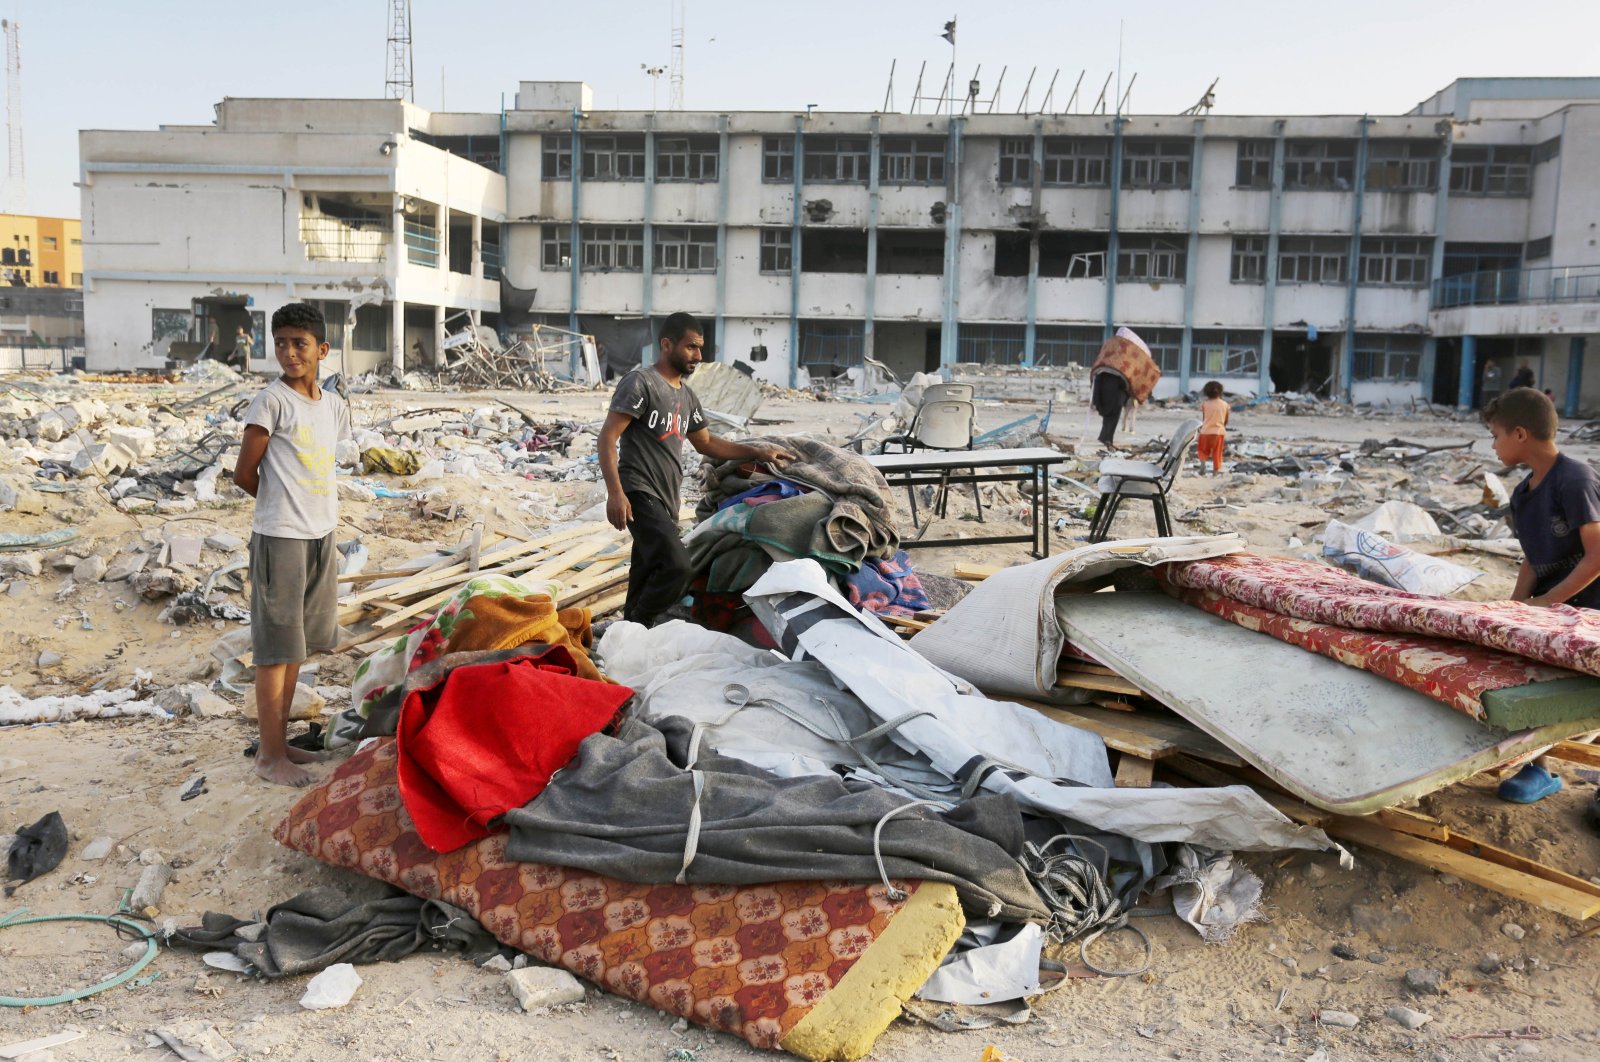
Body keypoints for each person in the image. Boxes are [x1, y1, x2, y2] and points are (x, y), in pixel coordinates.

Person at [599, 312, 796, 628]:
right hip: (638, 490)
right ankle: (648, 619)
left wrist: (756, 450)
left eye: (700, 348)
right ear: (667, 344)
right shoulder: (641, 384)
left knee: (647, 568)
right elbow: (608, 437)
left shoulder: (686, 396)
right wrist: (616, 493)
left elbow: (706, 444)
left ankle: (630, 630)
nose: (698, 356)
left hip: (667, 498)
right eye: (691, 347)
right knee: (678, 564)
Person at [233, 303, 352, 787]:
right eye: (280, 342)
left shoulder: (334, 406)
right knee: (273, 650)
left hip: (321, 534)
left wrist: (309, 511)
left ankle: (280, 746)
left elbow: (322, 465)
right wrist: (283, 506)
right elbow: (245, 474)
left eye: (298, 343)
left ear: (322, 350)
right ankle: (268, 757)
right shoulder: (271, 402)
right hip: (280, 537)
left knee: (296, 646)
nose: (288, 352)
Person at [1483, 387, 1600, 803]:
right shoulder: (1522, 493)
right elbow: (1533, 558)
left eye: (1495, 436)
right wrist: (1516, 607)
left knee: (1582, 685)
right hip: (1556, 606)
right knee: (1536, 677)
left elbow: (1597, 556)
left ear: (1519, 434)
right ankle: (1539, 767)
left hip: (1591, 607)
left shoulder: (1575, 479)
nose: (1492, 446)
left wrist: (1549, 604)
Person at [1090, 367, 1129, 449]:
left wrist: (1095, 401)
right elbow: (1124, 385)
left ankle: (1104, 438)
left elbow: (1095, 388)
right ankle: (1107, 439)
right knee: (1113, 421)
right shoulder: (1118, 375)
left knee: (1106, 420)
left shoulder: (1100, 374)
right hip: (1116, 400)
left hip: (1104, 400)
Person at [1197, 381, 1230, 475]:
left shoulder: (1205, 404)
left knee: (1202, 450)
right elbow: (1226, 420)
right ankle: (1216, 470)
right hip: (1218, 432)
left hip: (1205, 431)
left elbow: (1204, 418)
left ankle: (1202, 464)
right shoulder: (1225, 405)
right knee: (1217, 452)